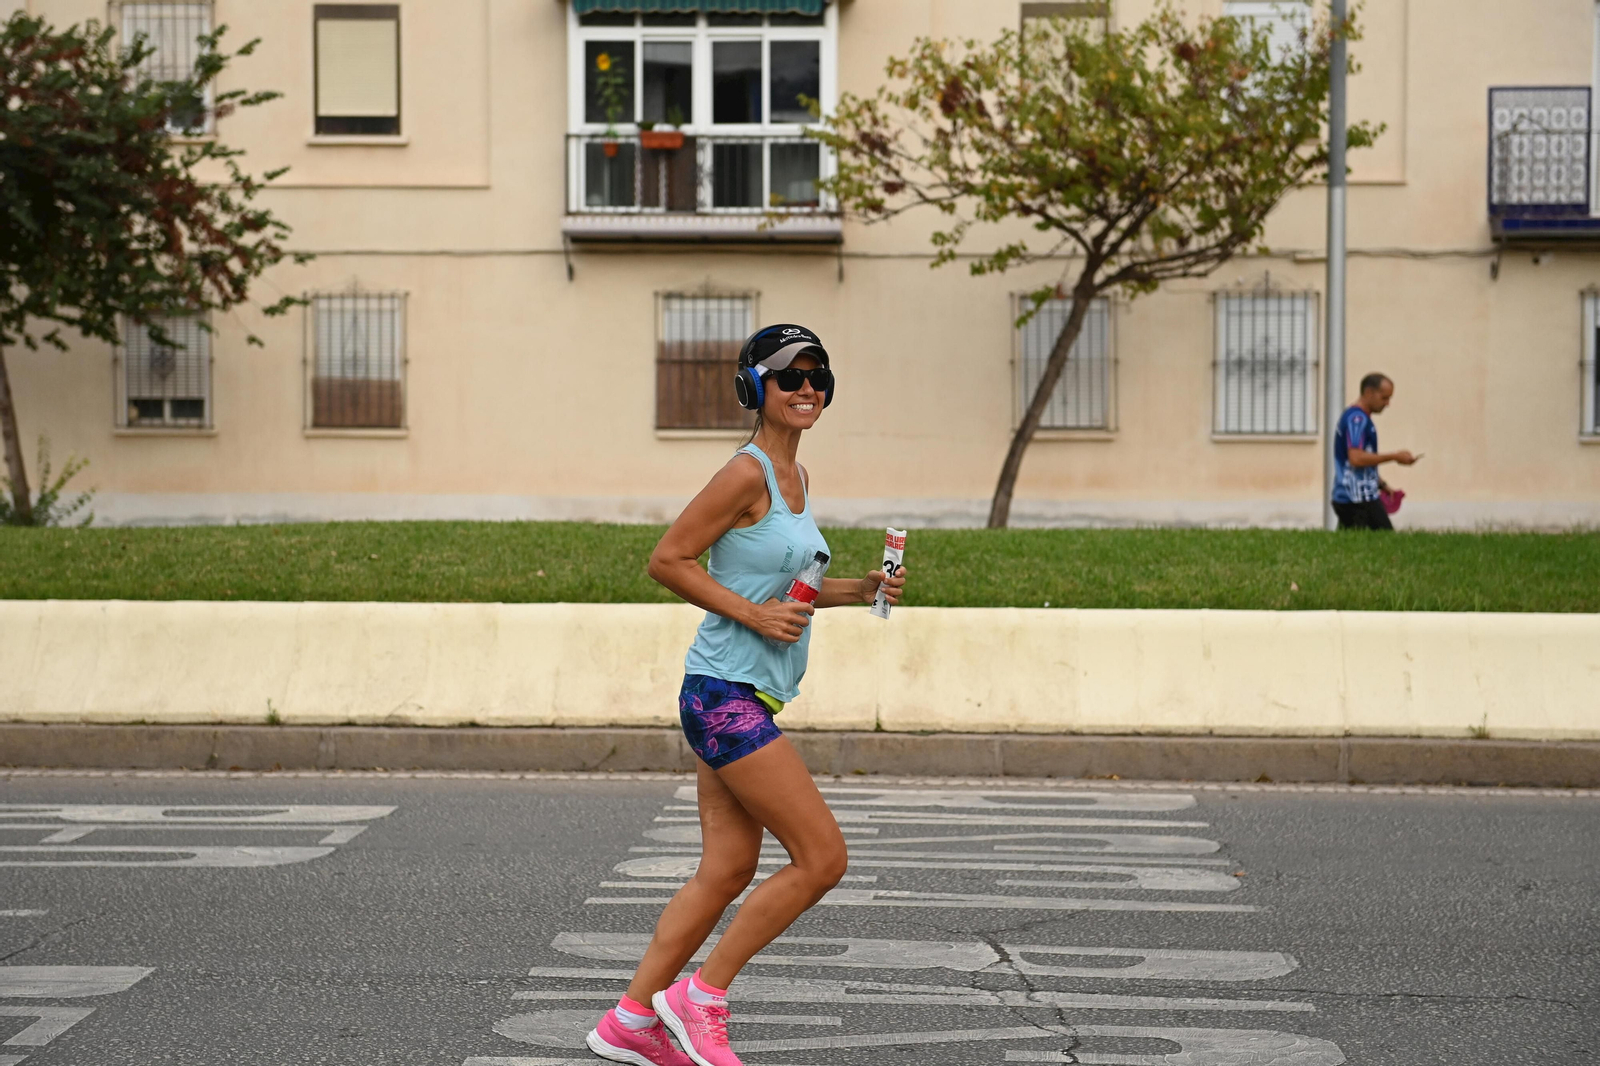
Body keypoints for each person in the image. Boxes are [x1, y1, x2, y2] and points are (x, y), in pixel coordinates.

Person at [585, 324, 908, 1066]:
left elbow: (781, 586)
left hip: (741, 694)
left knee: (726, 870)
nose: (807, 389)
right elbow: (667, 560)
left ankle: (631, 1019)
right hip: (722, 692)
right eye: (790, 376)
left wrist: (860, 590)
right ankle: (703, 998)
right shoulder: (747, 472)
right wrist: (753, 615)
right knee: (822, 857)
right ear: (753, 387)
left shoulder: (796, 480)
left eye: (819, 378)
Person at [1331, 373, 1417, 531]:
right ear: (1369, 392)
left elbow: (1358, 464)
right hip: (1357, 500)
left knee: (1349, 547)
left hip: (1354, 497)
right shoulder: (1357, 420)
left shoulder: (1359, 418)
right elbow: (1356, 458)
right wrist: (1394, 456)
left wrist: (1381, 484)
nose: (1388, 403)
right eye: (1384, 398)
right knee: (1384, 544)